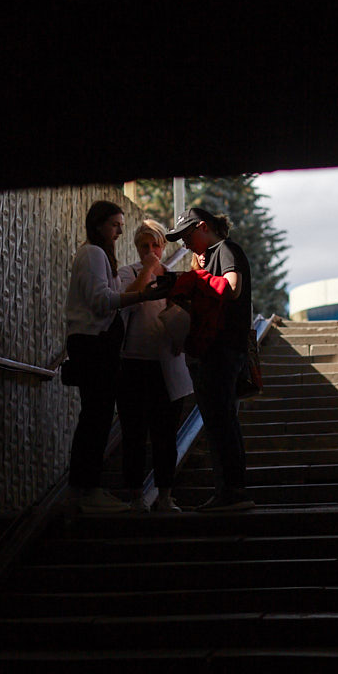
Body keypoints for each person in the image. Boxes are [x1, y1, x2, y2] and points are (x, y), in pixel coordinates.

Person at [64, 201, 169, 513]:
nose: (120, 231)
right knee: (95, 417)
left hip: (95, 344)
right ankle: (86, 489)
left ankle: (86, 488)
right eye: (115, 225)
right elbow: (100, 302)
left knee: (96, 417)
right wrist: (140, 296)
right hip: (93, 344)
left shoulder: (97, 255)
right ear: (99, 225)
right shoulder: (94, 254)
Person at [164, 207, 255, 512]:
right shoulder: (205, 257)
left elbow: (231, 287)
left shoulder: (225, 249)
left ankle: (233, 491)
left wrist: (194, 281)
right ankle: (227, 490)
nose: (184, 243)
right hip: (209, 349)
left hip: (224, 348)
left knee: (222, 420)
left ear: (203, 227)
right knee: (217, 422)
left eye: (187, 235)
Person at [115, 219, 192, 513]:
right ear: (136, 248)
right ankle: (136, 496)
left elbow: (185, 312)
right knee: (134, 433)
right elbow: (127, 303)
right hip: (133, 364)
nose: (150, 250)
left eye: (155, 245)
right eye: (144, 246)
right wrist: (147, 269)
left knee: (165, 434)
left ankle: (165, 496)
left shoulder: (174, 277)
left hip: (166, 365)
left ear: (163, 246)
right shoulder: (128, 273)